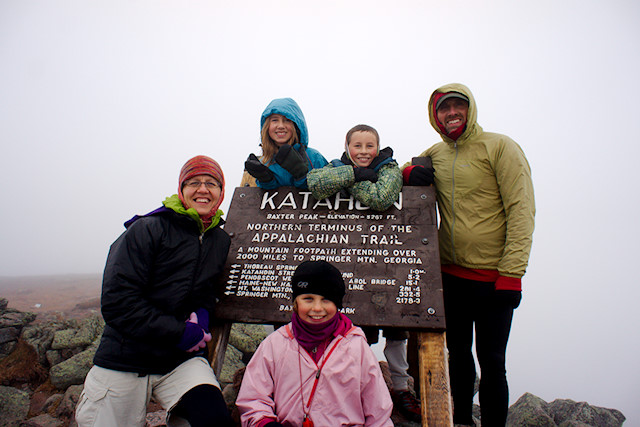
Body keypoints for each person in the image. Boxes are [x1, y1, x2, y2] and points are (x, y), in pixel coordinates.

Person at [403, 83, 535, 426]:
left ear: (470, 108)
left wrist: (512, 272)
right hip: (449, 274)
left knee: (492, 359)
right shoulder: (437, 151)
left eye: (457, 107)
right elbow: (400, 168)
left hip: (494, 278)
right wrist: (407, 173)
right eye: (443, 109)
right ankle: (461, 419)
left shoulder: (500, 147)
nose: (451, 114)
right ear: (436, 116)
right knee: (457, 355)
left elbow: (522, 211)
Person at [75, 155, 234, 427]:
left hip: (179, 362)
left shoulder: (218, 239)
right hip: (125, 358)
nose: (203, 189)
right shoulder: (147, 229)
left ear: (220, 192)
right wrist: (179, 333)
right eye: (194, 182)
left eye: (211, 183)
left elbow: (207, 289)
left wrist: (203, 315)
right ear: (181, 189)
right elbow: (118, 303)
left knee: (213, 419)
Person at [307, 124, 421, 422]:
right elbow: (314, 182)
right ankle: (362, 387)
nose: (363, 152)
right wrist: (354, 174)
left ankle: (400, 387)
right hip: (352, 259)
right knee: (359, 330)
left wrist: (349, 183)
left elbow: (383, 197)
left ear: (378, 146)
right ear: (347, 147)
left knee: (398, 327)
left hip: (391, 256)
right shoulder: (337, 167)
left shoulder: (390, 167)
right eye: (357, 146)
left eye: (369, 145)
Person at [236, 260, 393, 427]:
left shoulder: (356, 347)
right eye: (308, 299)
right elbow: (253, 397)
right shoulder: (276, 344)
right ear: (296, 302)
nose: (317, 308)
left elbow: (379, 413)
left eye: (326, 300)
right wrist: (265, 423)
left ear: (338, 304)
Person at [241, 97, 328, 189]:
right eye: (275, 120)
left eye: (287, 120)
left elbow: (330, 190)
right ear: (267, 126)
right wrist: (266, 180)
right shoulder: (264, 163)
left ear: (296, 126)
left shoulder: (313, 157)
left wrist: (302, 176)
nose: (281, 126)